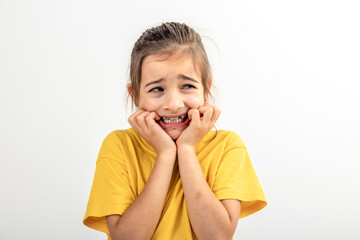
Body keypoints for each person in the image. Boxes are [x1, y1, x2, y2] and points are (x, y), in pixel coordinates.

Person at [83, 22, 267, 240]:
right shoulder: (118, 146)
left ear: (206, 89)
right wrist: (166, 154)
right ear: (135, 95)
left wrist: (187, 149)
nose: (173, 103)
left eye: (187, 86)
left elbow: (218, 237)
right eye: (157, 89)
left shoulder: (227, 146)